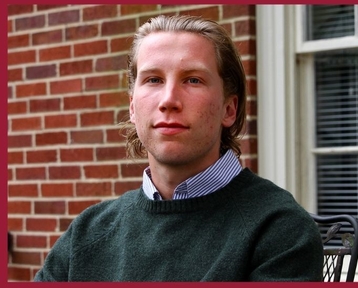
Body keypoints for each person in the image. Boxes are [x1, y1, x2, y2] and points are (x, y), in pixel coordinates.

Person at [34, 14, 324, 282]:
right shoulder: (88, 232)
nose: (169, 99)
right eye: (153, 80)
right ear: (133, 108)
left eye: (193, 80)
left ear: (229, 109)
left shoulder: (278, 229)